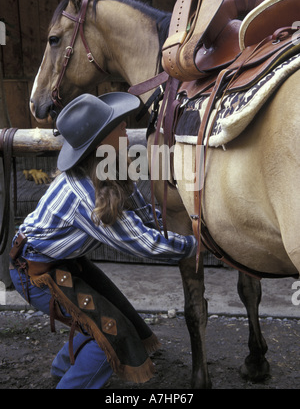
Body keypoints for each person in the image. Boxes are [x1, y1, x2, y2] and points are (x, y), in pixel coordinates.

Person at [9, 92, 197, 389]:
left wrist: (173, 224)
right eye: (119, 127)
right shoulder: (83, 194)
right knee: (110, 334)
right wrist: (197, 244)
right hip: (33, 271)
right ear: (101, 143)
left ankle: (62, 373)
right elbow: (141, 243)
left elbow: (143, 214)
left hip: (64, 262)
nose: (126, 130)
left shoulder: (114, 168)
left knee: (112, 310)